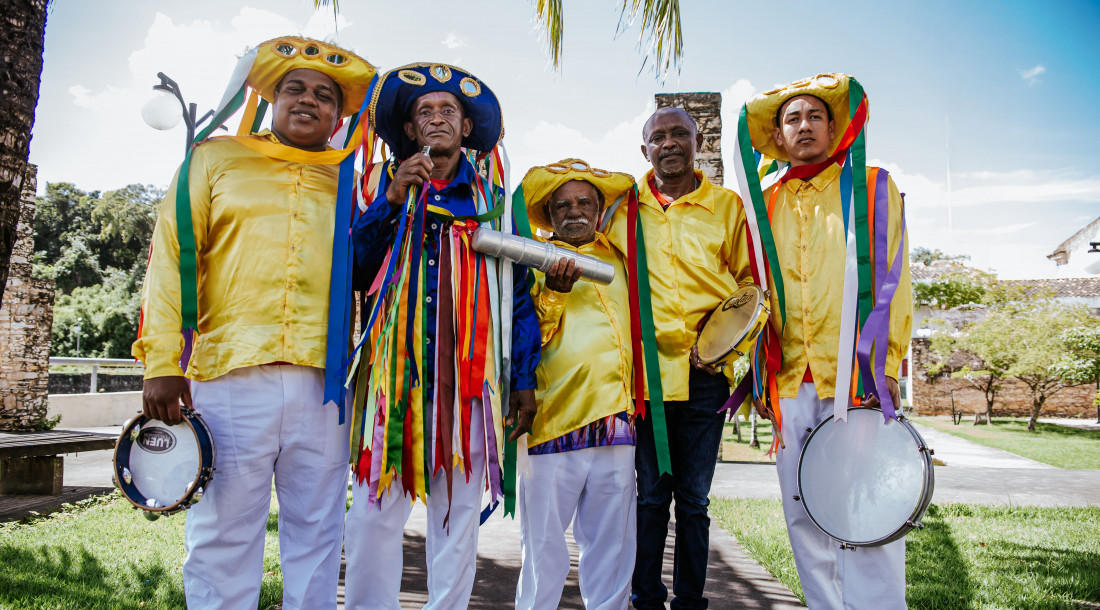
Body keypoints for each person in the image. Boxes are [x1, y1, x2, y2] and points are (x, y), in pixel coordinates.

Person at [132, 36, 376, 608]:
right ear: (271, 98)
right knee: (223, 535)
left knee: (318, 536)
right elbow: (170, 258)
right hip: (229, 377)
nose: (308, 100)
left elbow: (375, 269)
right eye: (295, 88)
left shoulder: (355, 181)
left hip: (324, 385)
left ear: (340, 115)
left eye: (324, 95)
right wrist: (162, 362)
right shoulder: (215, 159)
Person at [344, 63, 541, 610]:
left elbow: (518, 295)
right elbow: (355, 271)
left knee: (456, 524)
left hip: (469, 389)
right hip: (392, 385)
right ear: (410, 129)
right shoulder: (382, 191)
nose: (436, 118)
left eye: (448, 110)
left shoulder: (495, 204)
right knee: (371, 519)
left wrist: (523, 379)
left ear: (466, 127)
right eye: (424, 111)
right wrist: (389, 202)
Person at [738, 73, 912, 608]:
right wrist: (758, 376)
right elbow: (752, 290)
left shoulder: (872, 186)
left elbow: (896, 276)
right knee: (802, 507)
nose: (805, 125)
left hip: (856, 376)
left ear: (835, 129)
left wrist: (886, 365)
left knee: (866, 504)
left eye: (816, 116)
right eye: (792, 119)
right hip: (790, 377)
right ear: (778, 135)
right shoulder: (762, 203)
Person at [606, 107, 753, 609]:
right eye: (658, 137)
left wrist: (726, 347)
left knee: (693, 500)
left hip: (705, 376)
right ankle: (645, 598)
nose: (668, 143)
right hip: (646, 378)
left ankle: (690, 601)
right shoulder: (622, 208)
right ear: (644, 149)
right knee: (649, 497)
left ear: (698, 140)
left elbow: (750, 287)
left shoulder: (727, 207)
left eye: (679, 134)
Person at [513, 159, 638, 610]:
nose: (574, 211)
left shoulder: (622, 257)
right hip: (552, 422)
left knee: (612, 550)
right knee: (543, 551)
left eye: (584, 202)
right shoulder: (530, 258)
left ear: (600, 209)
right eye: (562, 205)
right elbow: (524, 338)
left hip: (617, 424)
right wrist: (553, 291)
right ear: (548, 214)